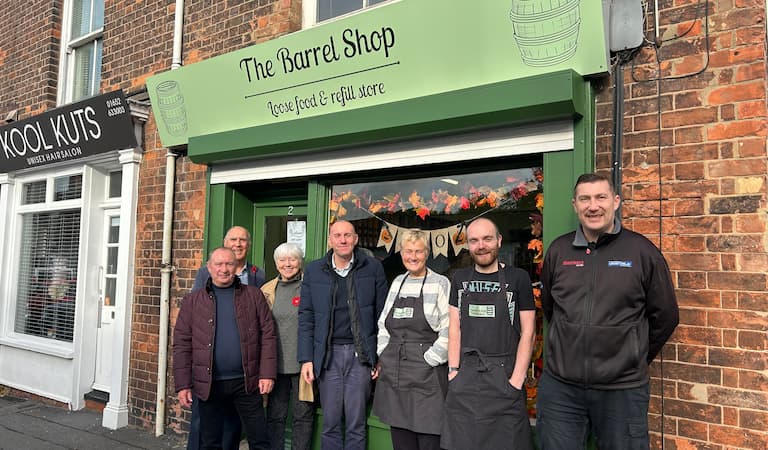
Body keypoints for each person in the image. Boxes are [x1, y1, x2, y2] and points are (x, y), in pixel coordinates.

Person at [536, 172, 679, 449]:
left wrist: (631, 353)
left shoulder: (641, 251)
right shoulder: (558, 250)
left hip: (621, 389)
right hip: (562, 388)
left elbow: (666, 316)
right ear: (574, 205)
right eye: (585, 199)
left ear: (615, 201)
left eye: (601, 197)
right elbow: (552, 308)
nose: (593, 206)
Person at [441, 217, 536, 450]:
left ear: (499, 241)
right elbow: (455, 326)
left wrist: (517, 379)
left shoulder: (518, 278)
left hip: (505, 377)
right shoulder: (460, 279)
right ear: (468, 245)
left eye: (487, 239)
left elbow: (529, 332)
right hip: (465, 377)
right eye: (474, 241)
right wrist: (454, 371)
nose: (481, 245)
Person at [173, 247, 277, 450]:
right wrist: (183, 384)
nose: (224, 269)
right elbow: (182, 343)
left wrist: (267, 374)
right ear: (209, 268)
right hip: (209, 383)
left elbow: (268, 335)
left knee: (259, 440)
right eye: (219, 264)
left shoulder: (254, 296)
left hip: (247, 382)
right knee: (210, 442)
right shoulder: (192, 301)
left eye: (229, 264)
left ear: (236, 267)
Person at [298, 220, 388, 450]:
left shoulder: (373, 267)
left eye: (348, 235)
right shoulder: (314, 270)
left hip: (361, 355)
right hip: (328, 356)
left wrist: (378, 356)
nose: (343, 239)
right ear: (330, 240)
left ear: (356, 239)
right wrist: (307, 359)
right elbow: (306, 317)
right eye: (337, 235)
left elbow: (383, 316)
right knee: (330, 422)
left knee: (356, 423)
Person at [188, 225, 266, 450]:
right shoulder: (207, 272)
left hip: (241, 372)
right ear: (225, 243)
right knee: (202, 425)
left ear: (248, 245)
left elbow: (260, 320)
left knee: (233, 423)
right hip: (210, 367)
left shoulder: (256, 274)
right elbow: (195, 314)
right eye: (234, 239)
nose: (238, 244)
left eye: (243, 240)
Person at [372, 230, 450, 450]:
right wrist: (383, 353)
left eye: (418, 251)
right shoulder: (398, 282)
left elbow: (451, 329)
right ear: (402, 253)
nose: (413, 257)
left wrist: (430, 359)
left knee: (429, 441)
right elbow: (383, 324)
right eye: (408, 251)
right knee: (401, 441)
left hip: (427, 375)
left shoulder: (440, 283)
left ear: (426, 253)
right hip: (394, 371)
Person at [261, 243, 315, 450]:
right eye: (282, 260)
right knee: (275, 415)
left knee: (303, 416)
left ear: (300, 261)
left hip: (303, 365)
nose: (287, 264)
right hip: (276, 364)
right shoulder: (266, 290)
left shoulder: (309, 286)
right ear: (276, 264)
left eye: (292, 259)